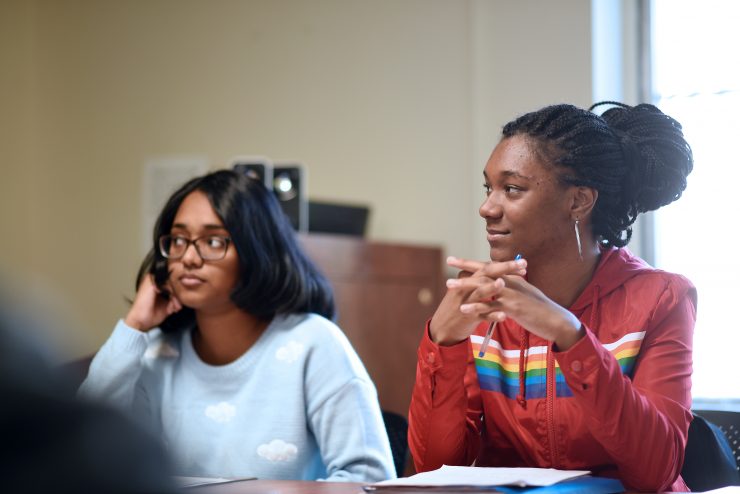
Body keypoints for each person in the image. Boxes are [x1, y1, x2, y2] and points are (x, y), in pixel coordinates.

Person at [408, 102, 696, 492]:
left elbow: (656, 472)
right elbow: (434, 470)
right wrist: (443, 344)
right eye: (488, 188)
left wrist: (569, 335)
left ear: (579, 201)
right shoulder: (487, 305)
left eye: (512, 189)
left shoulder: (660, 297)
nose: (486, 208)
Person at [79, 170, 395, 482]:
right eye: (178, 239)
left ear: (257, 250)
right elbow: (82, 447)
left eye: (213, 241)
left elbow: (369, 479)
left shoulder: (314, 343)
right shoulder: (156, 351)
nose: (188, 257)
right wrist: (134, 325)